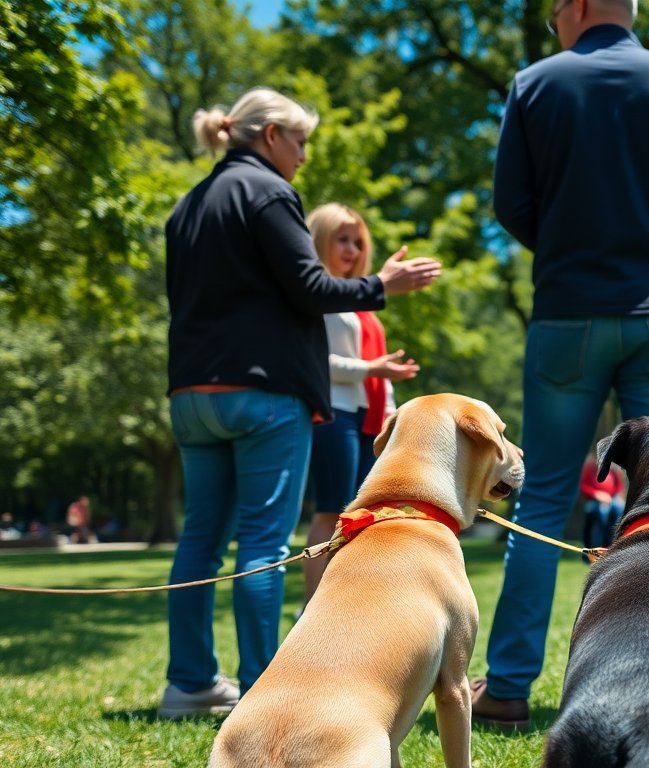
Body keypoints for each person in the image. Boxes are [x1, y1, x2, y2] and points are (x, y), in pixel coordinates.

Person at [472, 0, 649, 729]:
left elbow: (510, 203)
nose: (554, 18)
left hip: (565, 317)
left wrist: (562, 253)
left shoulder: (534, 84)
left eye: (556, 7)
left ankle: (506, 688)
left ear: (581, 5)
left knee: (542, 498)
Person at [160, 87, 441, 719]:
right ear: (268, 137)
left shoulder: (188, 206)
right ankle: (263, 687)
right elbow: (310, 285)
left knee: (199, 540)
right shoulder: (267, 192)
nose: (304, 157)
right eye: (300, 141)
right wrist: (382, 284)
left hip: (191, 394)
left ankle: (189, 684)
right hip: (263, 394)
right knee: (263, 541)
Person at [301, 204, 420, 605]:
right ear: (318, 240)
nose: (352, 249)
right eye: (342, 239)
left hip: (369, 420)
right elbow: (318, 363)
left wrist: (391, 412)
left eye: (357, 241)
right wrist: (373, 369)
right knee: (331, 512)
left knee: (367, 517)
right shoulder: (317, 294)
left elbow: (375, 370)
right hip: (334, 414)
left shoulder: (360, 299)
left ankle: (350, 604)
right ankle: (314, 608)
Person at [578, 452, 625, 557]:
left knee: (619, 509)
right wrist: (597, 494)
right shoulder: (589, 468)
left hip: (610, 500)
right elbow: (583, 486)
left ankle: (610, 547)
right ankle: (595, 550)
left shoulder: (612, 469)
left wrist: (616, 496)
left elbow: (618, 487)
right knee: (602, 512)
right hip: (593, 501)